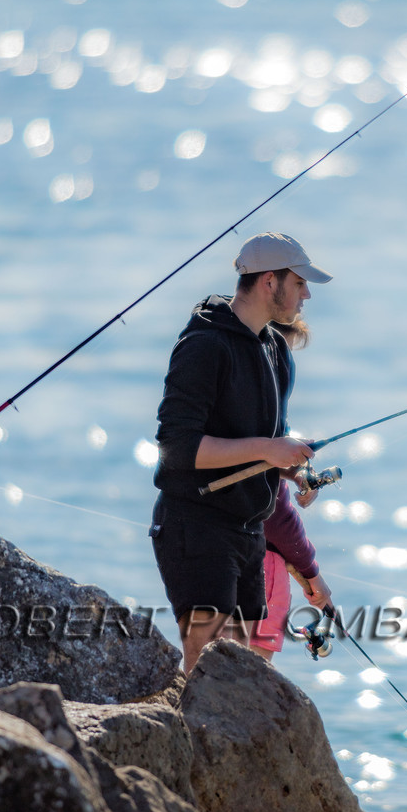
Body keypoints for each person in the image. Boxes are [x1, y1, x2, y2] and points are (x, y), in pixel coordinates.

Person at [151, 232, 329, 673]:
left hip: (249, 533)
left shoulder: (275, 351)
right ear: (270, 282)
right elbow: (177, 448)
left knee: (240, 682)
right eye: (300, 282)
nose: (306, 294)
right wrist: (270, 449)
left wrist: (289, 470)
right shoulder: (204, 345)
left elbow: (262, 443)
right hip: (196, 526)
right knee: (206, 671)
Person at [251, 316, 332, 662]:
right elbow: (276, 514)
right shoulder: (271, 369)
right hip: (257, 566)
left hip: (213, 553)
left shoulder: (236, 402)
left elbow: (253, 457)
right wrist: (312, 575)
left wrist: (292, 472)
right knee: (252, 679)